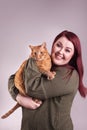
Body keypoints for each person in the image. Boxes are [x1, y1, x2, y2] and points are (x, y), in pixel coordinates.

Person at [8, 30, 87, 130]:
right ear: (53, 45)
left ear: (73, 56)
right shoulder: (45, 62)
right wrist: (19, 97)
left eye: (67, 50)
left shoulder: (69, 75)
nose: (60, 52)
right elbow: (13, 79)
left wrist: (33, 59)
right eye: (58, 45)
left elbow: (33, 88)